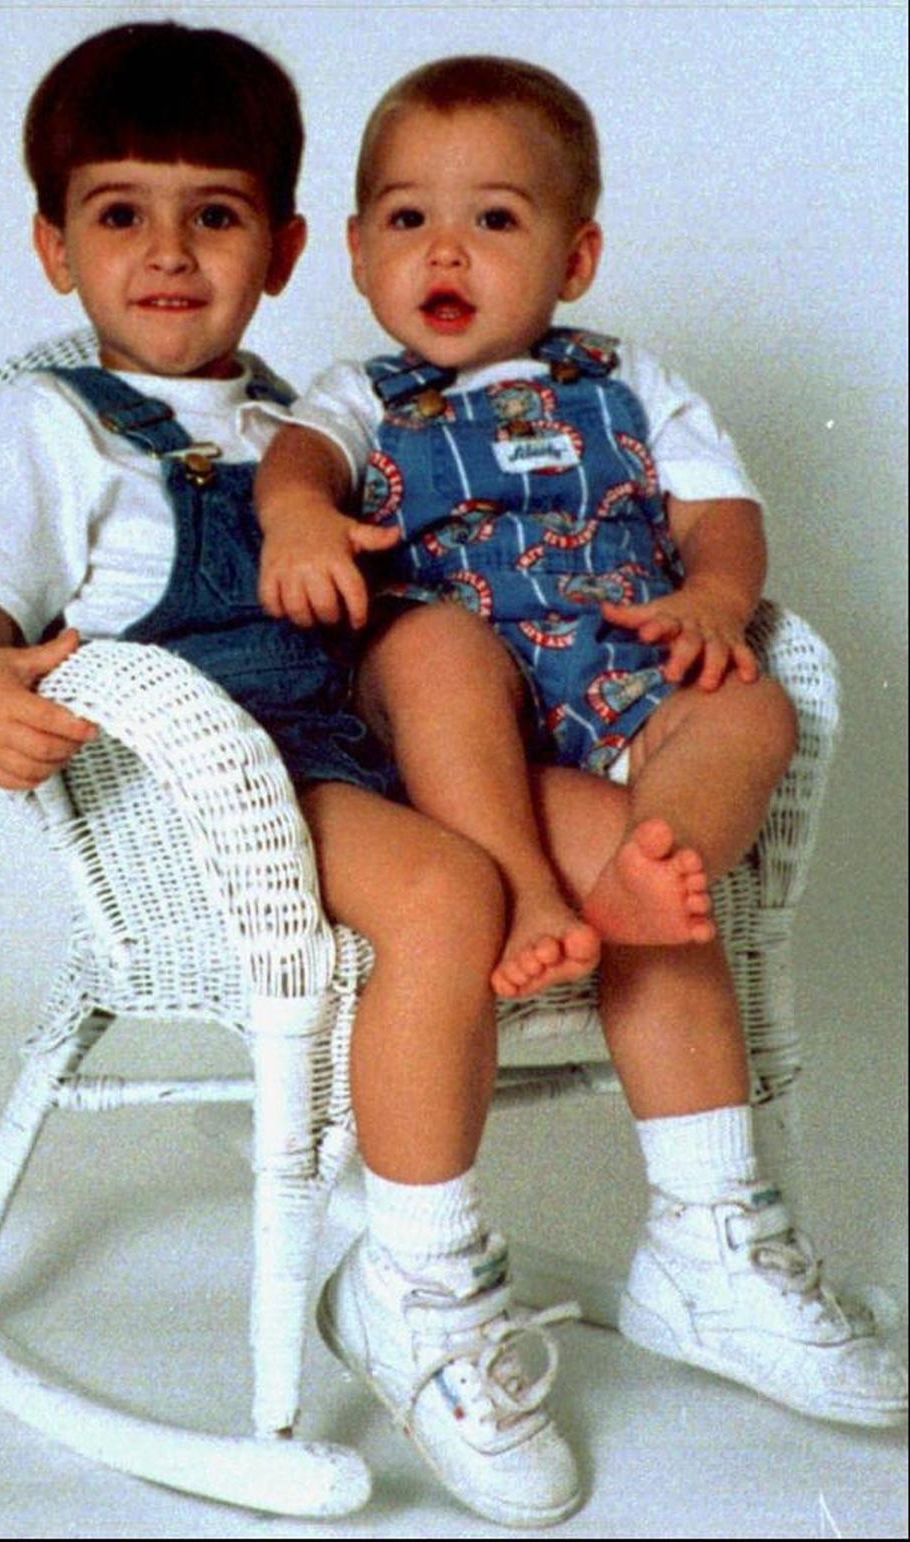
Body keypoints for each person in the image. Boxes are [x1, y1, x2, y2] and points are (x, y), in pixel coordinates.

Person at [253, 46, 908, 1507]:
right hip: (458, 746)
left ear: (576, 254)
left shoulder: (634, 383)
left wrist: (717, 602)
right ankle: (547, 890)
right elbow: (294, 471)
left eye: (494, 218)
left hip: (611, 698)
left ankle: (703, 1212)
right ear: (355, 251)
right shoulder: (355, 396)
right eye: (409, 218)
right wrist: (298, 522)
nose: (446, 250)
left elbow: (722, 516)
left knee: (743, 722)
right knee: (432, 648)